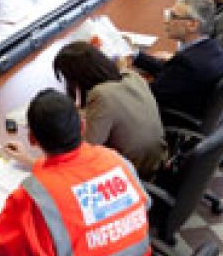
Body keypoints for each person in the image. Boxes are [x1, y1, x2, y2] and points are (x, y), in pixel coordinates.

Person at [0, 89, 152, 256]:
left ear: (32, 139)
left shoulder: (34, 199)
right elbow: (143, 205)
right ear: (82, 127)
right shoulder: (116, 160)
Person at [53, 41, 167, 180]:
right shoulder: (132, 77)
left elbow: (88, 148)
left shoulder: (101, 95)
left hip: (134, 172)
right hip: (157, 160)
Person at [133, 0, 223, 119]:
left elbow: (149, 95)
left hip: (166, 116)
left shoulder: (188, 63)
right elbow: (170, 71)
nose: (166, 21)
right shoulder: (213, 48)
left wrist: (124, 71)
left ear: (192, 25)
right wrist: (135, 55)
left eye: (173, 16)